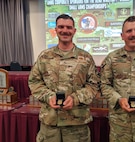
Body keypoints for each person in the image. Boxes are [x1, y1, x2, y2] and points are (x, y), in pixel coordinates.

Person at [28, 14, 100, 142]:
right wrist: (49, 96)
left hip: (77, 125)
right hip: (50, 124)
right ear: (55, 30)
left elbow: (93, 85)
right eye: (61, 27)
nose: (65, 30)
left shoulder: (86, 58)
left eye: (68, 27)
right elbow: (34, 81)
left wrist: (75, 98)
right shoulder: (44, 57)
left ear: (74, 31)